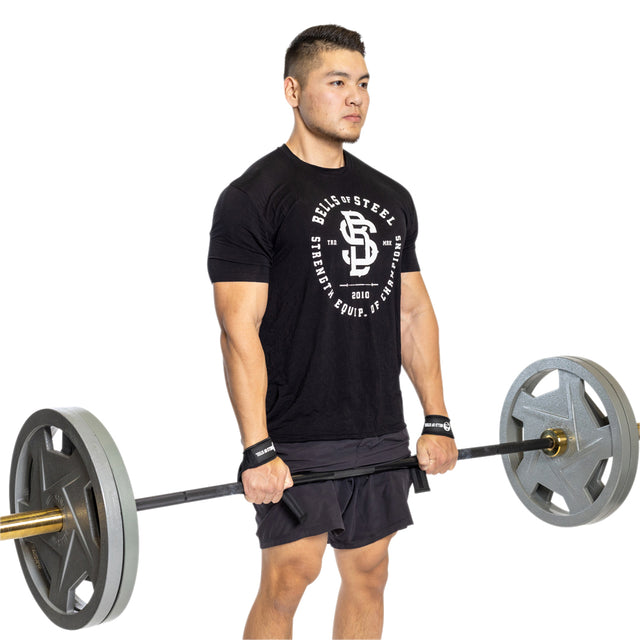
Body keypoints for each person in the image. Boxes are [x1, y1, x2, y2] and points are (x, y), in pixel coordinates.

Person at [208, 24, 458, 640]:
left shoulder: (389, 196)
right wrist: (258, 447)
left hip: (376, 423)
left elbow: (413, 312)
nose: (356, 98)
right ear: (293, 91)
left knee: (370, 572)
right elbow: (240, 330)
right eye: (338, 82)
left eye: (364, 84)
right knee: (291, 574)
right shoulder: (253, 197)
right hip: (298, 430)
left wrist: (437, 416)